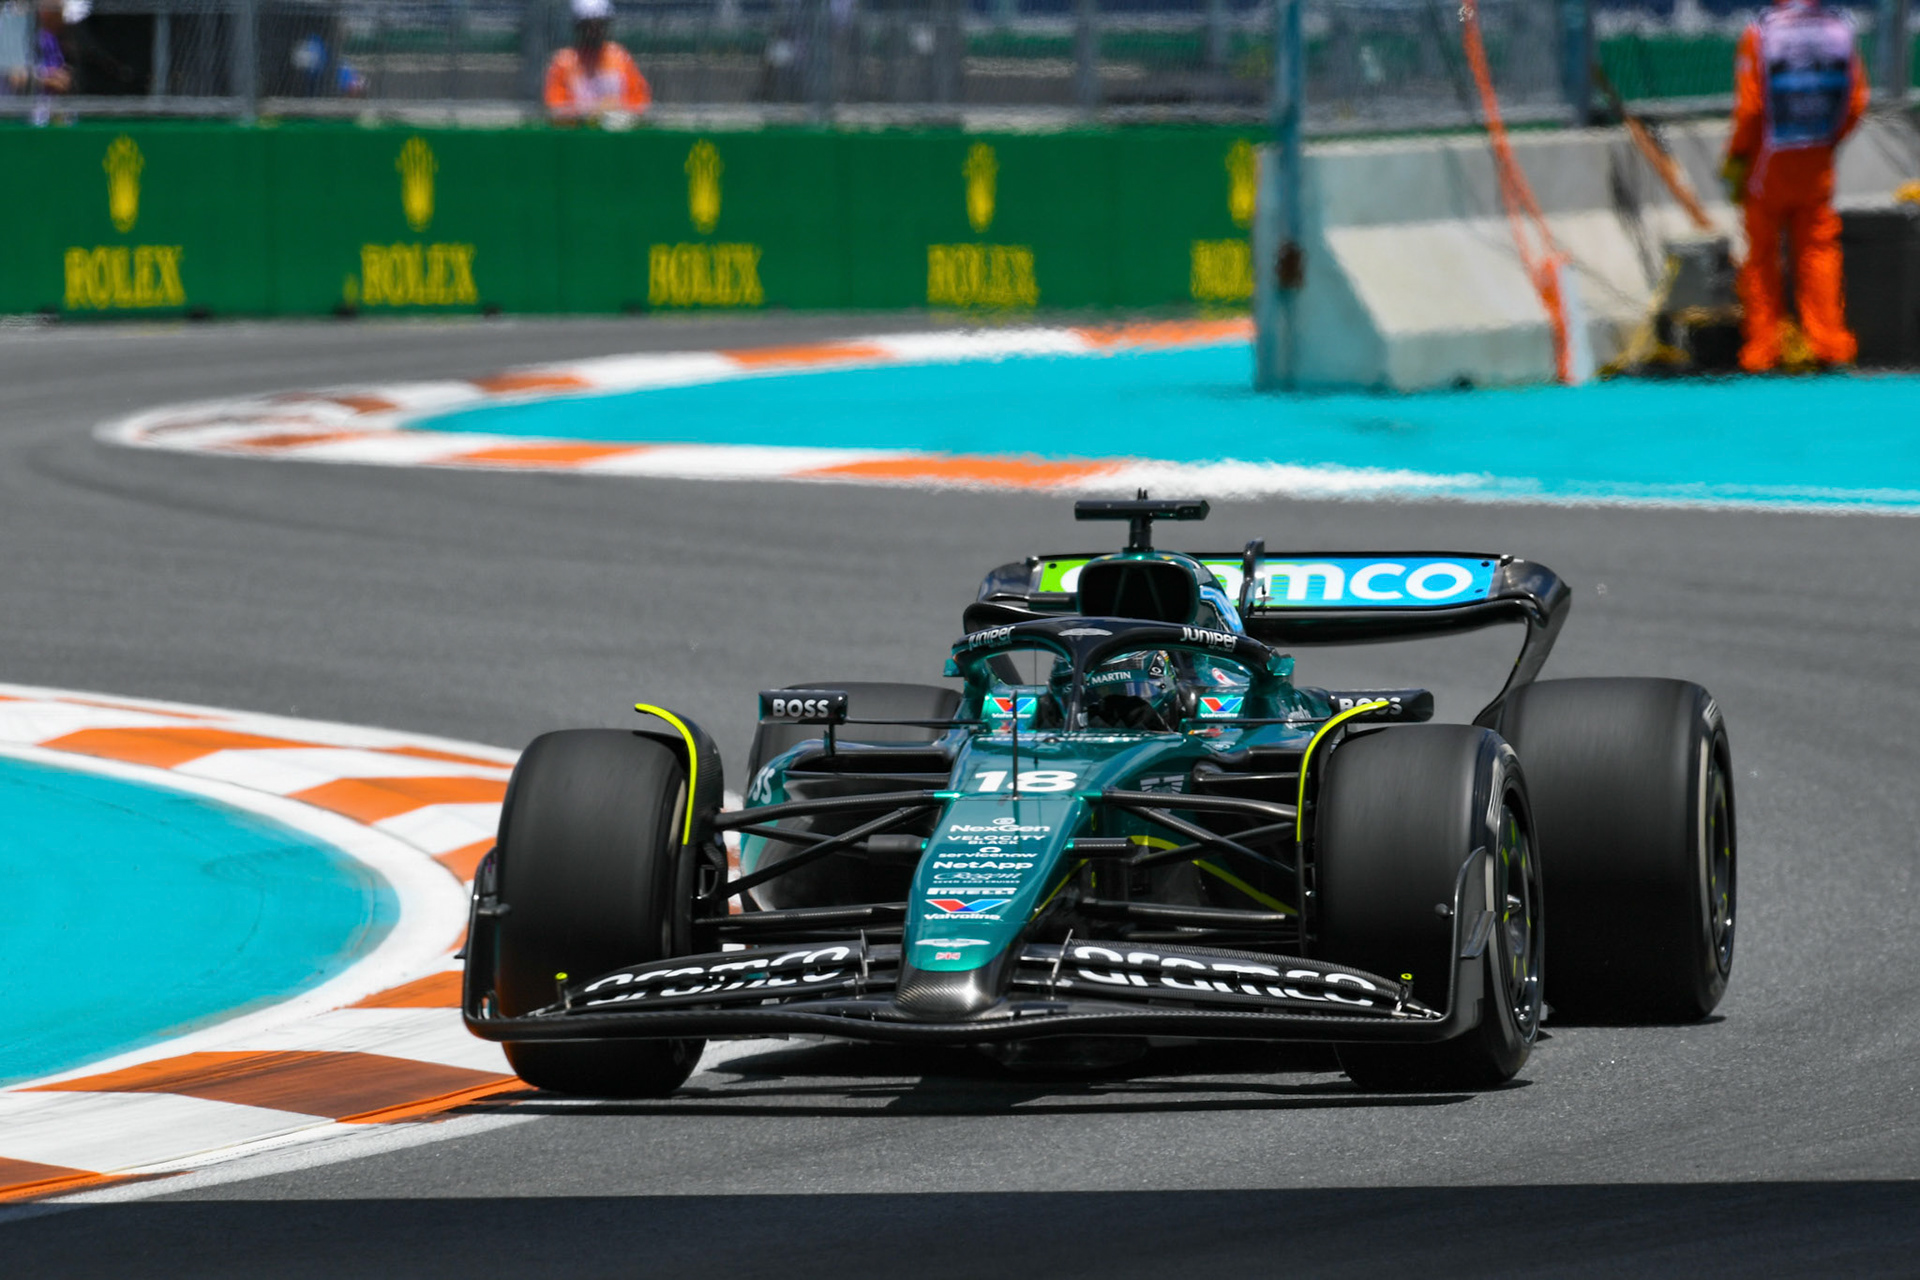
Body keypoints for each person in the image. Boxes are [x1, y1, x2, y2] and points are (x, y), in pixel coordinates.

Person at [1720, 0, 1869, 372]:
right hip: (1818, 155)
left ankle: (1763, 349)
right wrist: (1829, 141)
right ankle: (1830, 343)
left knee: (1762, 254)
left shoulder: (1761, 33)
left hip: (1768, 160)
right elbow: (1856, 101)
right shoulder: (1839, 29)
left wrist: (1737, 156)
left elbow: (1751, 108)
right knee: (1818, 249)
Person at [544, 0, 649, 124]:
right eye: (588, 26)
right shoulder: (564, 62)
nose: (593, 32)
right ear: (578, 27)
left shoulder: (620, 58)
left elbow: (639, 103)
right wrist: (589, 113)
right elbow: (556, 108)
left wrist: (615, 110)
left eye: (599, 26)